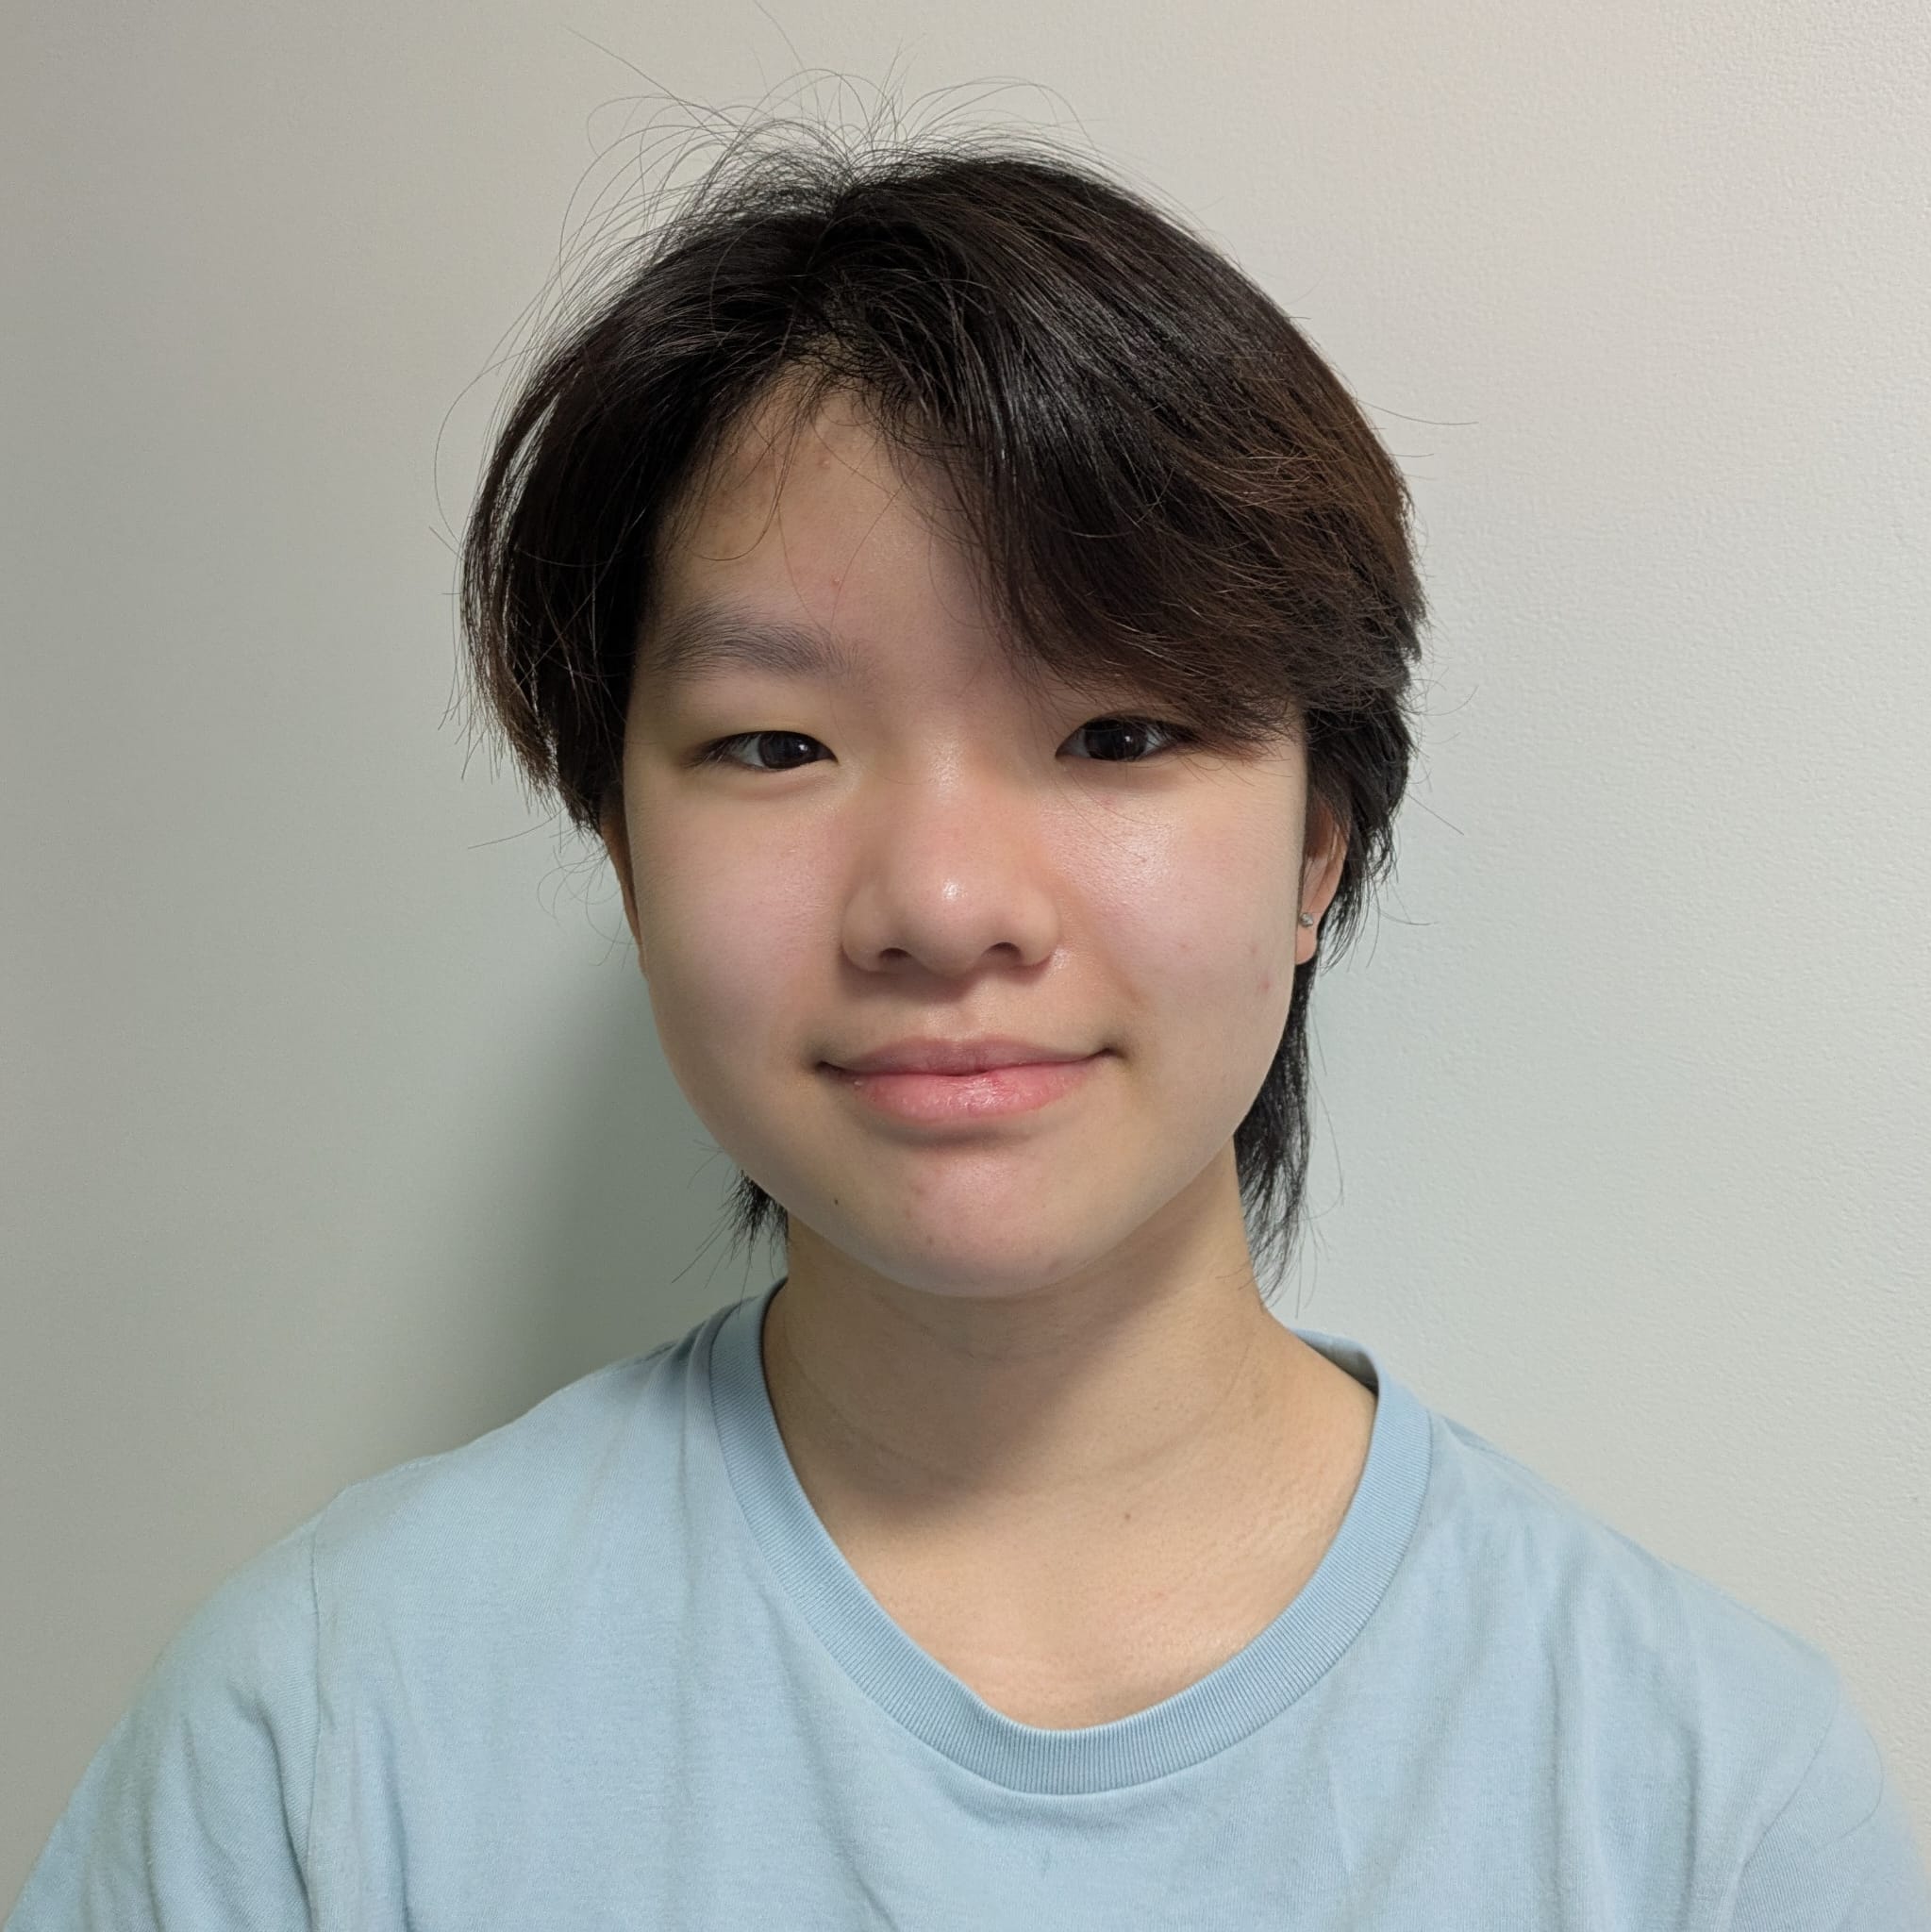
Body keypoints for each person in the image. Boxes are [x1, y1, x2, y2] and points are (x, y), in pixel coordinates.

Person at [11, 117, 1929, 1930]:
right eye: (778, 744)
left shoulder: (1703, 1799)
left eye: (1116, 732)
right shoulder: (321, 1745)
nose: (940, 904)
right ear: (624, 850)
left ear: (1316, 849)